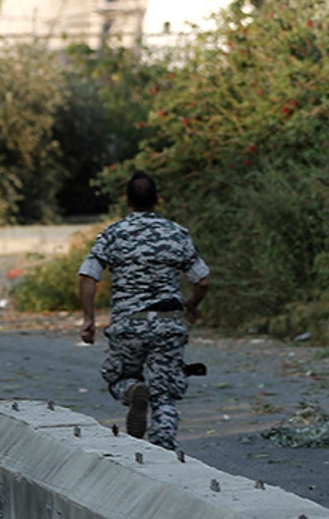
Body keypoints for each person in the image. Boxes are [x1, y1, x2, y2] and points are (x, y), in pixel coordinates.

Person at [77, 171, 210, 450]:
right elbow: (202, 280)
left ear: (127, 201)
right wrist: (191, 305)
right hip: (168, 324)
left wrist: (89, 319)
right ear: (157, 199)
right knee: (164, 395)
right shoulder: (177, 233)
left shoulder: (114, 233)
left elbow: (88, 276)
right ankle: (163, 451)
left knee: (117, 376)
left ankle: (131, 390)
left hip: (129, 325)